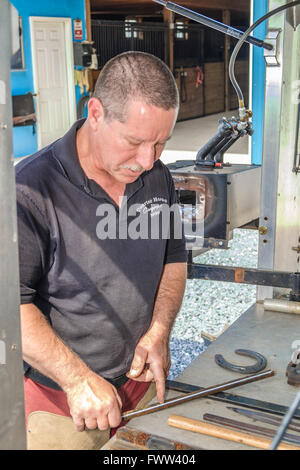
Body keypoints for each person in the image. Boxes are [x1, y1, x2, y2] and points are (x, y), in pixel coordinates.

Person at [16, 51, 187, 450]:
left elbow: (173, 258)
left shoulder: (156, 176)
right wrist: (76, 379)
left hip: (140, 387)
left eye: (161, 143)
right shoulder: (29, 190)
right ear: (96, 113)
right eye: (134, 141)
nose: (147, 160)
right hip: (62, 403)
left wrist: (160, 331)